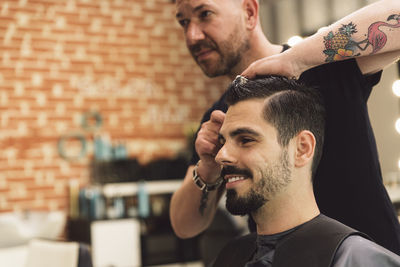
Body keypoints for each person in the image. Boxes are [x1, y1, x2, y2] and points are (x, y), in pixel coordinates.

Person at [170, 0, 400, 255]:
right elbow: (184, 226)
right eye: (183, 22)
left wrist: (295, 60)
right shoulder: (219, 118)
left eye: (205, 14)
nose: (192, 35)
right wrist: (208, 167)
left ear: (249, 12)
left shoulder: (319, 67)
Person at [211, 75, 400, 267]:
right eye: (222, 142)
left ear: (302, 148)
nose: (221, 155)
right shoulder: (229, 256)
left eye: (246, 140)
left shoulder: (353, 258)